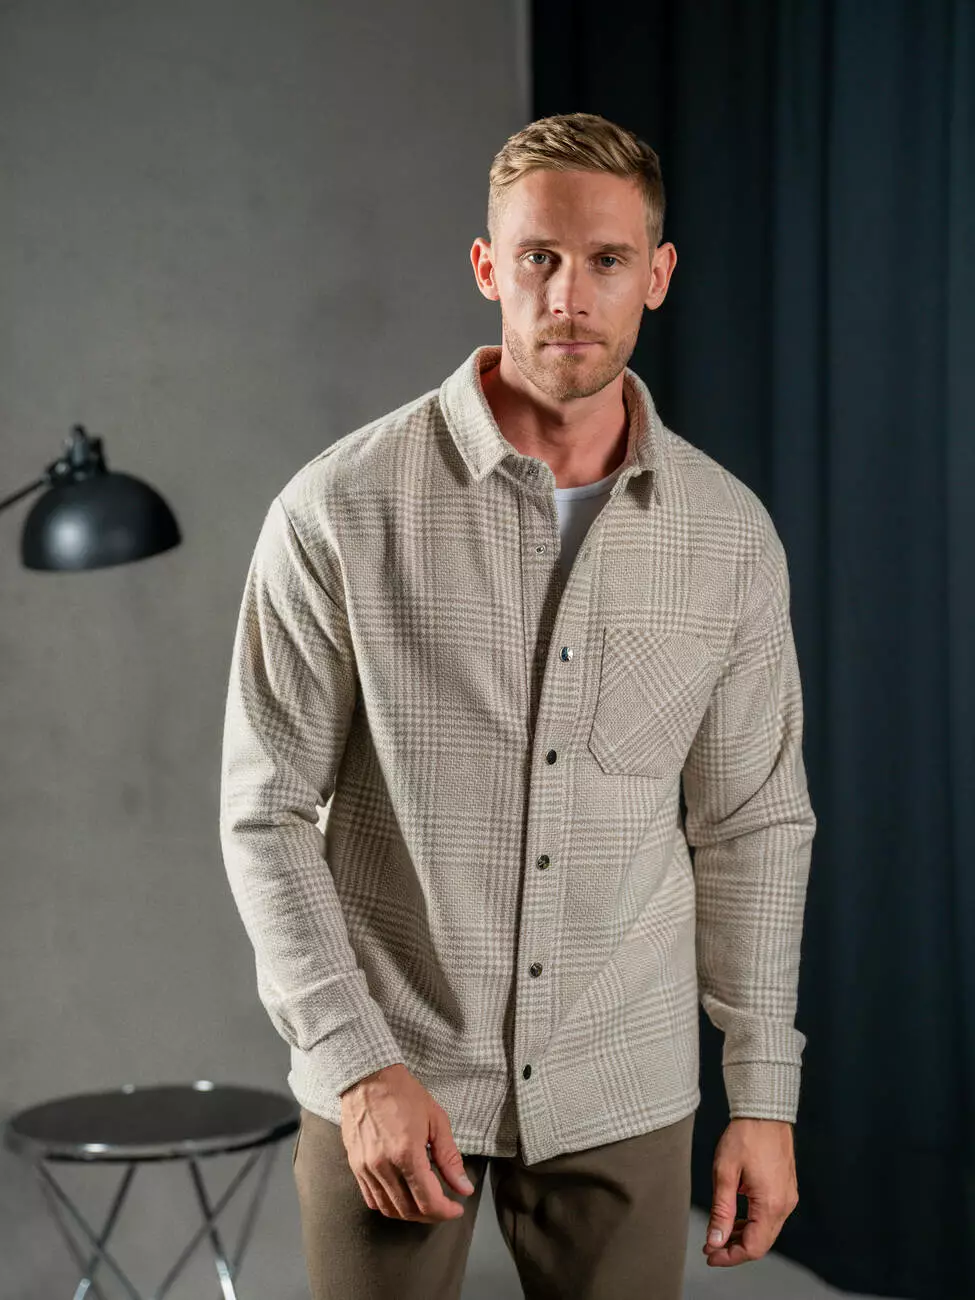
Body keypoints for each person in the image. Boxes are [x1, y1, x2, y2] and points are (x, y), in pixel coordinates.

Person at [219, 110, 816, 1300]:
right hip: (391, 1066)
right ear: (488, 266)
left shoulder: (729, 537)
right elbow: (266, 813)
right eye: (539, 257)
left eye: (606, 260)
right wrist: (356, 1064)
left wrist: (763, 1094)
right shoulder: (339, 509)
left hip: (621, 1072)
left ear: (658, 274)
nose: (569, 296)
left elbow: (754, 823)